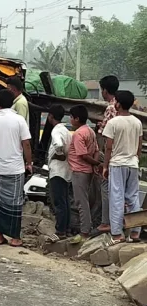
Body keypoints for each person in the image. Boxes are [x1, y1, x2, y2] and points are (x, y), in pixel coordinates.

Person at [0, 89, 32, 247]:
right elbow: (26, 144)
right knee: (15, 203)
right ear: (12, 103)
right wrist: (29, 162)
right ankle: (15, 238)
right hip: (16, 169)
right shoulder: (19, 120)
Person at [102, 90, 143, 245]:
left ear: (117, 103)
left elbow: (108, 148)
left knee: (116, 197)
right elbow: (139, 146)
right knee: (133, 198)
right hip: (133, 164)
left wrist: (105, 166)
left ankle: (117, 233)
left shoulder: (113, 122)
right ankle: (134, 232)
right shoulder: (137, 122)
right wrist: (135, 159)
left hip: (117, 164)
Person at [68, 105, 100, 242]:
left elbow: (83, 155)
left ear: (77, 118)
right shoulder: (90, 131)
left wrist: (95, 164)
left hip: (80, 170)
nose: (70, 120)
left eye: (71, 117)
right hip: (87, 171)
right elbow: (97, 150)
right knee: (84, 200)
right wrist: (95, 164)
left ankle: (85, 231)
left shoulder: (78, 134)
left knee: (81, 202)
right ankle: (87, 227)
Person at [95, 75, 119, 233]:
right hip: (121, 153)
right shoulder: (120, 105)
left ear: (105, 90)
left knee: (105, 186)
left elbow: (104, 132)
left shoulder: (110, 108)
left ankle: (106, 221)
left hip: (110, 151)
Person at [46, 105, 72, 239]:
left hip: (57, 170)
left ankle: (60, 230)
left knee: (59, 202)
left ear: (51, 116)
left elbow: (58, 144)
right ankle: (66, 228)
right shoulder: (66, 130)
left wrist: (59, 154)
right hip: (66, 170)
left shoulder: (56, 131)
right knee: (65, 201)